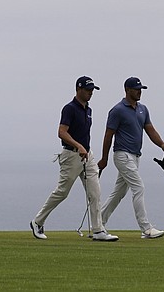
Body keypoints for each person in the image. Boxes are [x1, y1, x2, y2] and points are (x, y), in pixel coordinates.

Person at [30, 76, 118, 242]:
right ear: (78, 89)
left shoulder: (88, 110)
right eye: (87, 90)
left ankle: (98, 230)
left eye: (92, 90)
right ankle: (37, 221)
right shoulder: (69, 109)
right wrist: (78, 146)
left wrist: (84, 149)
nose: (90, 93)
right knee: (62, 192)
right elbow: (62, 132)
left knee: (95, 192)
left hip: (87, 156)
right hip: (71, 156)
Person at [97, 76, 164, 238]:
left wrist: (163, 145)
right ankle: (146, 228)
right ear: (127, 90)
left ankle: (98, 222)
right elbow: (108, 135)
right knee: (139, 187)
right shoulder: (117, 110)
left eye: (141, 89)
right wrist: (104, 159)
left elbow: (150, 130)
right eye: (136, 89)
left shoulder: (143, 109)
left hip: (135, 156)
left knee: (119, 193)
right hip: (122, 155)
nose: (139, 92)